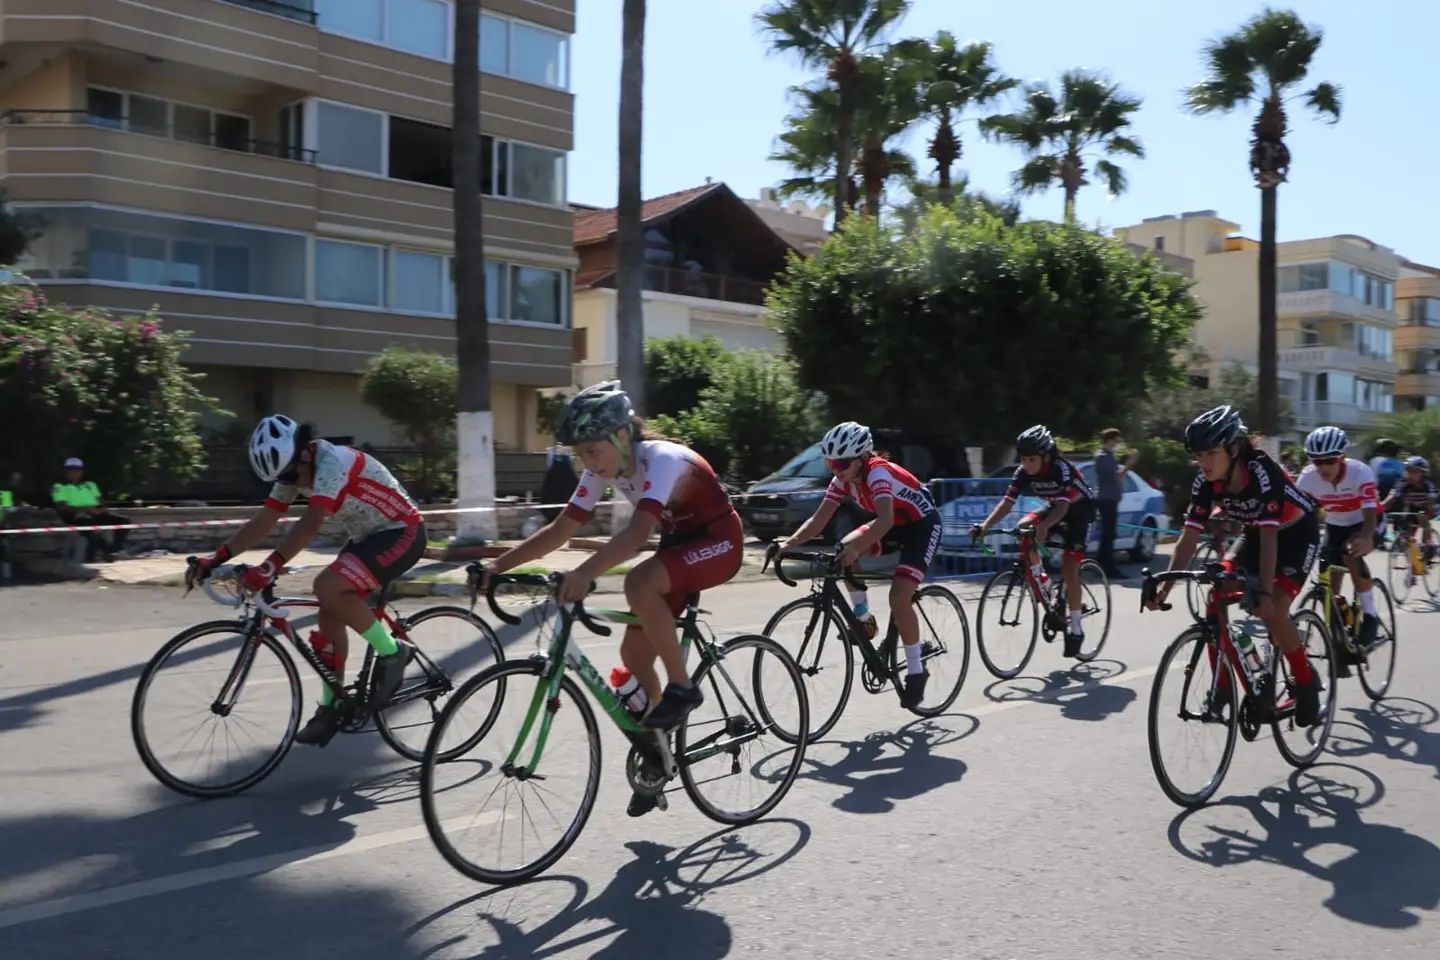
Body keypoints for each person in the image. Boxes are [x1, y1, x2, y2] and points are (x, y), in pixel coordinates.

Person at [480, 381, 744, 812]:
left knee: (638, 583)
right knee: (633, 655)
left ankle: (682, 688)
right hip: (679, 548)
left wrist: (585, 573)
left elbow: (637, 534)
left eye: (592, 451)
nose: (587, 463)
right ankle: (659, 751)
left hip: (720, 542)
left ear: (622, 436)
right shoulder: (603, 467)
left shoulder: (662, 459)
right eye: (580, 454)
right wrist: (497, 567)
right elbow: (562, 530)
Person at [185, 416, 425, 746]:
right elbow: (266, 519)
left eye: (292, 475)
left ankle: (393, 651)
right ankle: (332, 706)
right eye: (285, 478)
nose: (293, 482)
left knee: (326, 586)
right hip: (367, 537)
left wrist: (270, 566)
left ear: (305, 453)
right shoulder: (295, 469)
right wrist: (216, 558)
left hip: (402, 532)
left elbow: (311, 523)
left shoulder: (332, 462)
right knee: (329, 614)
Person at [1147, 405, 1323, 727]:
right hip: (1255, 535)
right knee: (1216, 592)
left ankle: (1305, 678)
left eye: (1211, 453)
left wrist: (1265, 593)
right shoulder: (1205, 482)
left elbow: (1270, 538)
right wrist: (1165, 587)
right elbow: (1188, 537)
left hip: (1295, 536)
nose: (1204, 463)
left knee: (1275, 608)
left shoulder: (1262, 472)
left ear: (1233, 449)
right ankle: (1223, 686)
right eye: (1199, 456)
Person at [782, 420, 943, 706]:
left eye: (841, 464)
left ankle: (916, 670)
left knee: (898, 597)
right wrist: (788, 544)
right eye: (831, 463)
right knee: (842, 548)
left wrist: (858, 548)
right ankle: (864, 618)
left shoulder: (878, 473)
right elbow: (819, 519)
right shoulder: (842, 480)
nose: (836, 470)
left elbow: (885, 519)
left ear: (861, 458)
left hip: (921, 526)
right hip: (893, 525)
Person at [970, 425, 1096, 658]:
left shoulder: (1061, 469)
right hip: (1055, 509)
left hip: (1080, 513)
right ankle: (1045, 583)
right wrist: (984, 526)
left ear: (1046, 456)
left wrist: (1045, 526)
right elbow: (1007, 503)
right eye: (1023, 459)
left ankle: (1077, 629)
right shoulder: (1023, 473)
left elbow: (1063, 507)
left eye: (1032, 459)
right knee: (1023, 528)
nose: (1026, 464)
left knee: (1069, 570)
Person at [1294, 426, 1380, 650]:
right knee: (1328, 576)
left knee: (1351, 552)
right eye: (1317, 461)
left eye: (1329, 460)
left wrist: (1366, 536)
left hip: (1366, 521)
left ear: (1342, 457)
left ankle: (1370, 614)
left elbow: (1370, 511)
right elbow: (1298, 515)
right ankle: (1340, 621)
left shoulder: (1360, 472)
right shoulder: (1307, 479)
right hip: (1336, 524)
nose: (1323, 467)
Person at [51, 457, 129, 562]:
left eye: (78, 469)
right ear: (66, 471)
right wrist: (87, 510)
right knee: (89, 523)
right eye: (71, 469)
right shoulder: (59, 486)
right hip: (74, 514)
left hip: (94, 512)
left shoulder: (90, 485)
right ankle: (105, 553)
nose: (75, 472)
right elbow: (62, 507)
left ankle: (114, 550)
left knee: (124, 521)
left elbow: (100, 501)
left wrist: (102, 509)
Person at [1093, 428, 1138, 579]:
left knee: (1108, 534)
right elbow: (1117, 476)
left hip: (1111, 499)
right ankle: (1108, 568)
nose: (1118, 443)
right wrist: (1130, 463)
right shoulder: (1102, 457)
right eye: (1117, 440)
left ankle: (1099, 564)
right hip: (1106, 500)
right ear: (1110, 440)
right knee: (1108, 535)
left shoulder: (1109, 456)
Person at [1382, 455, 1439, 562]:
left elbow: (1431, 500)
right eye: (1408, 471)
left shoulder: (1428, 483)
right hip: (1412, 507)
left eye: (1414, 471)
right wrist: (1381, 507)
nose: (1410, 474)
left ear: (1422, 472)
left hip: (1428, 506)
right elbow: (1392, 497)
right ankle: (1411, 557)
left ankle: (1429, 544)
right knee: (1406, 529)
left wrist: (1426, 508)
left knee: (1422, 517)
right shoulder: (1403, 482)